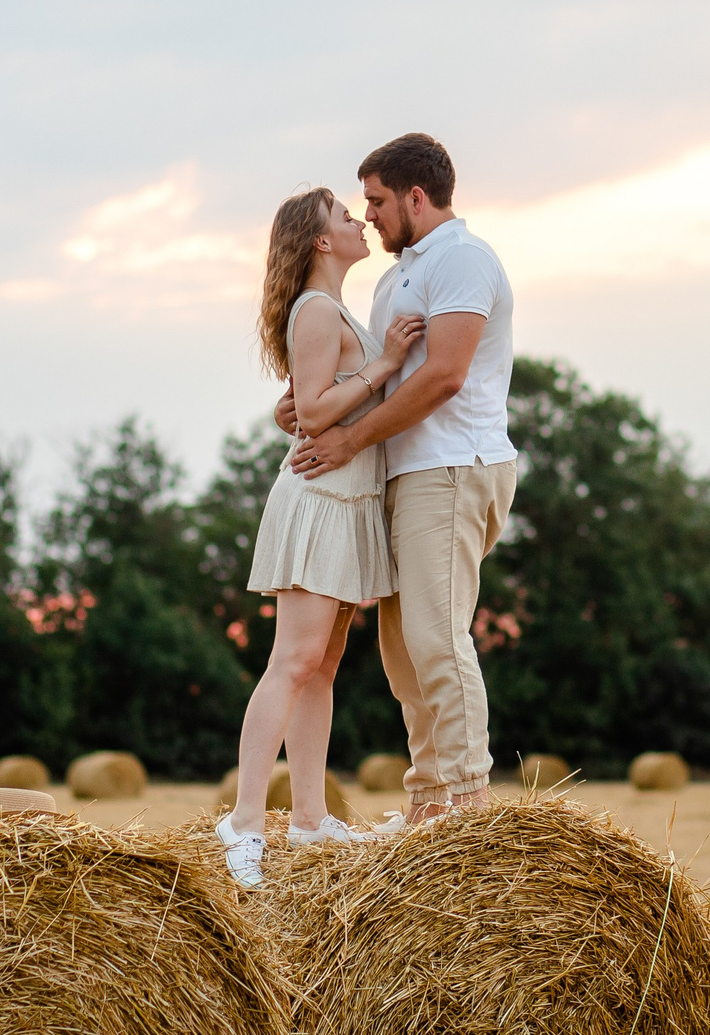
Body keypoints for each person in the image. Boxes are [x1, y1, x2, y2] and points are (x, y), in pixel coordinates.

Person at [284, 132, 519, 827]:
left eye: (378, 200)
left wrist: (350, 437)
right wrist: (304, 406)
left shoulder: (465, 259)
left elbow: (444, 375)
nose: (370, 215)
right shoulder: (397, 276)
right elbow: (376, 380)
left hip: (450, 467)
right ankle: (429, 800)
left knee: (436, 635)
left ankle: (469, 804)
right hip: (402, 472)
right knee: (400, 649)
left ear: (417, 196)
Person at [215, 185, 425, 889]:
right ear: (319, 241)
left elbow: (304, 401)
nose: (358, 219)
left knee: (324, 664)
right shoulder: (314, 308)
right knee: (293, 659)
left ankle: (309, 817)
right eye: (344, 214)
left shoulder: (332, 311)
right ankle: (244, 819)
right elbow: (310, 410)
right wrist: (386, 365)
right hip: (321, 501)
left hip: (348, 500)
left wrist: (364, 370)